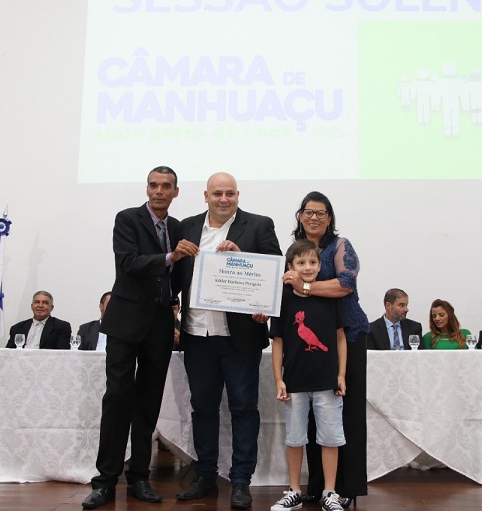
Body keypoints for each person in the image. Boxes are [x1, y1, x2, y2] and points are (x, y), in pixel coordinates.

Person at [82, 166, 196, 509]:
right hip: (125, 322)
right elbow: (128, 263)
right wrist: (170, 257)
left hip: (159, 324)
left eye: (166, 186)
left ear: (176, 192)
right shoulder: (127, 219)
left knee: (148, 404)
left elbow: (182, 273)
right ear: (147, 188)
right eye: (153, 185)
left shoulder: (178, 228)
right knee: (117, 398)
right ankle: (105, 481)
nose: (159, 191)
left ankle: (139, 478)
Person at [175, 172, 281, 510]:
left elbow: (274, 272)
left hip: (240, 338)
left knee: (244, 409)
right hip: (197, 335)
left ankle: (240, 480)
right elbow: (176, 276)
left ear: (238, 195)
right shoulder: (187, 227)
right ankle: (205, 475)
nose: (224, 199)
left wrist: (242, 257)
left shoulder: (259, 225)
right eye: (217, 193)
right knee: (203, 408)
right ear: (205, 196)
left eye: (230, 193)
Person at [282, 191, 369, 505]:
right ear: (300, 215)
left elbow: (346, 283)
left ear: (329, 217)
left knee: (346, 414)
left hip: (346, 336)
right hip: (308, 346)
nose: (314, 217)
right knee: (312, 418)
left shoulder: (340, 245)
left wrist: (304, 286)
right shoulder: (297, 249)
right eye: (308, 212)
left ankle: (345, 488)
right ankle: (319, 487)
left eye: (321, 212)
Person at [270, 239, 347, 511]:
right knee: (295, 437)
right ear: (290, 267)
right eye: (301, 262)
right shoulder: (283, 299)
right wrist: (278, 379)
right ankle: (293, 490)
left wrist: (341, 374)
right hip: (295, 381)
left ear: (320, 265)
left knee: (330, 437)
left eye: (313, 262)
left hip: (327, 381)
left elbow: (340, 338)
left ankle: (330, 492)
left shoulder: (330, 297)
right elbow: (277, 341)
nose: (307, 267)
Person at [6, 291, 72, 349]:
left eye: (45, 303)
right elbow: (8, 353)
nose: (40, 305)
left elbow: (62, 354)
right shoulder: (17, 328)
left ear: (51, 308)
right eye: (37, 302)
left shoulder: (61, 327)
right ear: (32, 306)